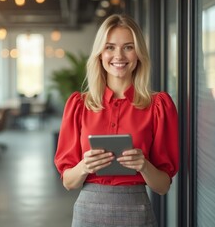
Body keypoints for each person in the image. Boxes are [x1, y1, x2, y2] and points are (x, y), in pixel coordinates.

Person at [54, 14, 179, 227]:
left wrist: (144, 166)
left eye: (128, 47)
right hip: (88, 214)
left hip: (136, 212)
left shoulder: (159, 106)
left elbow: (163, 186)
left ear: (138, 54)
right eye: (110, 47)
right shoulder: (79, 105)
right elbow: (68, 181)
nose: (118, 55)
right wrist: (85, 166)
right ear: (100, 54)